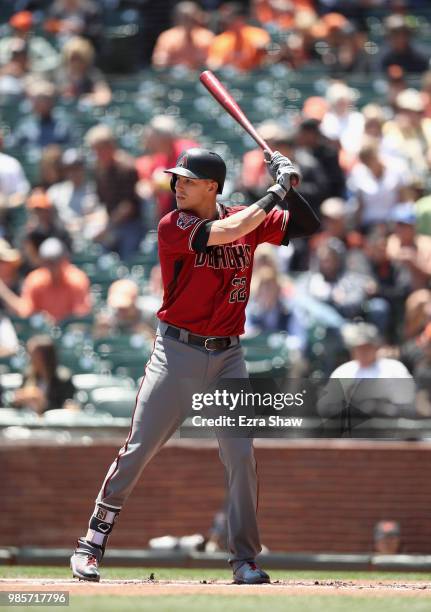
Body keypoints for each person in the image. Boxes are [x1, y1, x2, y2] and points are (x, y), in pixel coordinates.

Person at [69, 146, 320, 584]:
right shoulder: (174, 224)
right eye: (177, 178)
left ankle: (244, 559)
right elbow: (229, 230)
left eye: (187, 179)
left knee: (241, 456)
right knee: (138, 450)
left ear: (211, 186)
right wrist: (276, 190)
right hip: (177, 353)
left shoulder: (245, 213)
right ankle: (91, 543)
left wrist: (291, 185)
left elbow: (306, 225)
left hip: (228, 356)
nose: (177, 185)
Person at [85, 125, 143, 260]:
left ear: (111, 147)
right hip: (111, 223)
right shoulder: (98, 169)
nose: (97, 154)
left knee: (128, 258)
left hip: (131, 224)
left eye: (100, 150)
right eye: (95, 150)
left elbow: (127, 206)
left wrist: (108, 226)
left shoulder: (126, 168)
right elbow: (101, 202)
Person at [0, 237, 91, 323]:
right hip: (43, 334)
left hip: (70, 333)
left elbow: (80, 317)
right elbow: (26, 312)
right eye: (47, 262)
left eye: (54, 262)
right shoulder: (35, 280)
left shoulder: (77, 280)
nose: (51, 267)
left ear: (64, 260)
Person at [12, 335, 76, 415]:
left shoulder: (63, 379)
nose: (31, 358)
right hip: (28, 422)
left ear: (46, 356)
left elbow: (66, 407)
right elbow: (16, 407)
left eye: (35, 355)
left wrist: (42, 402)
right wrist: (19, 399)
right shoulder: (27, 375)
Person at [151, 1, 214, 70]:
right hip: (175, 76)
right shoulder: (168, 37)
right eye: (184, 18)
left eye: (191, 18)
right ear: (177, 18)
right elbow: (159, 62)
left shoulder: (206, 36)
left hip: (199, 74)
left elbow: (213, 62)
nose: (188, 21)